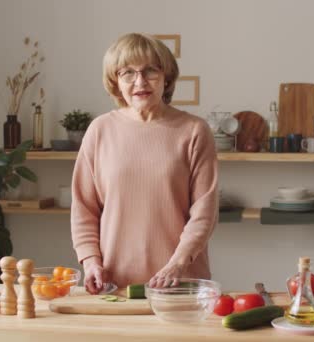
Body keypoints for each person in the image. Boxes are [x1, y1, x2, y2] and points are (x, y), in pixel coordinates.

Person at [70, 33, 218, 294]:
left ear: (166, 77)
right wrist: (90, 261)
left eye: (150, 71)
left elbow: (204, 212)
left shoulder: (194, 131)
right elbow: (84, 208)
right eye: (127, 72)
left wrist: (177, 265)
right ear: (116, 81)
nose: (140, 81)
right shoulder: (99, 130)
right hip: (114, 284)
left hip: (180, 283)